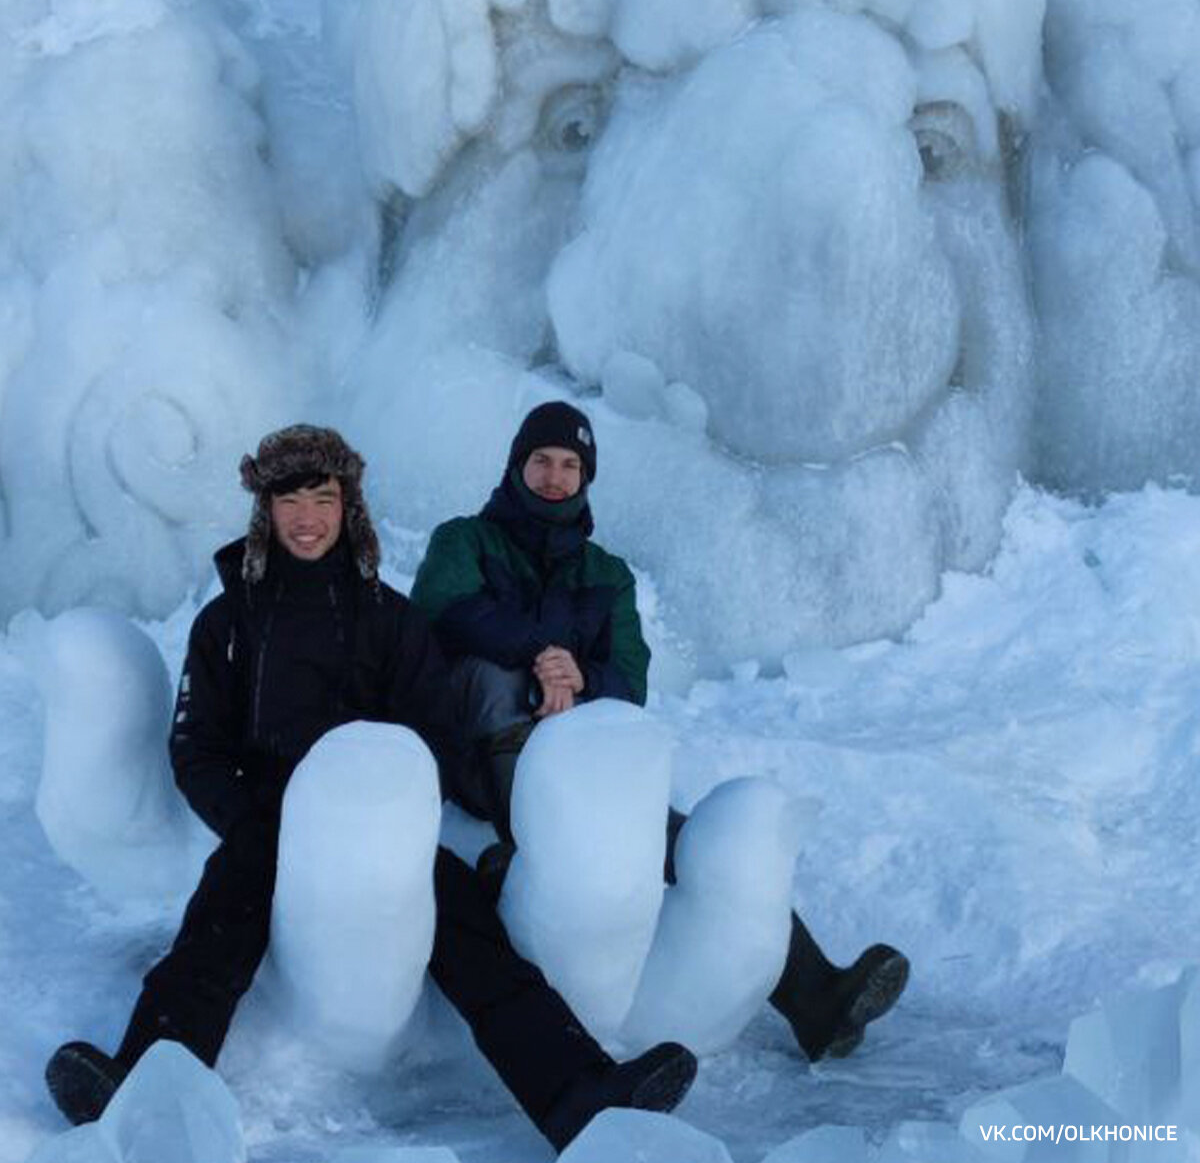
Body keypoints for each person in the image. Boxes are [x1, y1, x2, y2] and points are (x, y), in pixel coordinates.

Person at [44, 425, 696, 1152]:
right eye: (289, 498)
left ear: (347, 506)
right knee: (213, 938)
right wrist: (250, 820)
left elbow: (441, 734)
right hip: (270, 820)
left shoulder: (391, 619)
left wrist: (393, 815)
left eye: (323, 497)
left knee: (478, 940)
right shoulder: (228, 623)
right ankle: (135, 1086)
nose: (307, 517)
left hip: (384, 830)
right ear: (266, 509)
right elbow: (195, 747)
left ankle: (581, 1096)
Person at [410, 401, 910, 1063]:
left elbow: (630, 679)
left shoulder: (605, 574)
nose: (555, 478)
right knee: (494, 681)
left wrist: (578, 679)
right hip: (474, 755)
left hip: (576, 762)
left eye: (570, 466)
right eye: (542, 462)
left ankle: (817, 997)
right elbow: (441, 616)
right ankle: (525, 840)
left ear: (586, 479)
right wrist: (542, 659)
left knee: (683, 841)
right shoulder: (464, 541)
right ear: (516, 466)